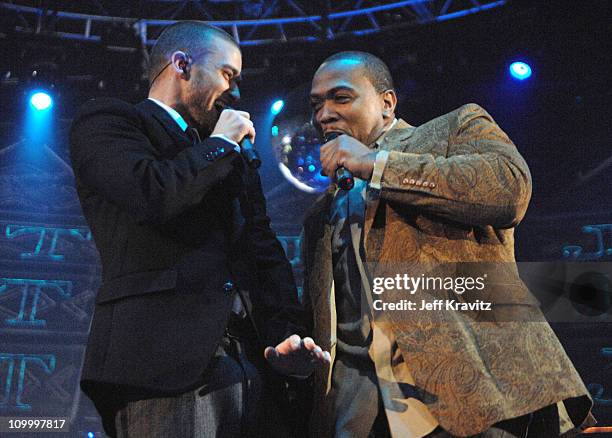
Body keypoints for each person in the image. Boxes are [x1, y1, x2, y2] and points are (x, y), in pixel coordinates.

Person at [301, 51, 595, 437]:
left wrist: (378, 165)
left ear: (387, 104)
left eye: (341, 98)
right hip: (358, 415)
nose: (324, 114)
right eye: (316, 104)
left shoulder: (452, 130)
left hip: (471, 399)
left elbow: (508, 189)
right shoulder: (321, 213)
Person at [70, 21, 328, 438]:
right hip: (164, 367)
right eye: (229, 75)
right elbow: (152, 194)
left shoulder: (229, 155)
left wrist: (286, 334)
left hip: (253, 364)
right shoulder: (109, 123)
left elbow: (262, 248)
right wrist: (220, 145)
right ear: (182, 64)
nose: (237, 92)